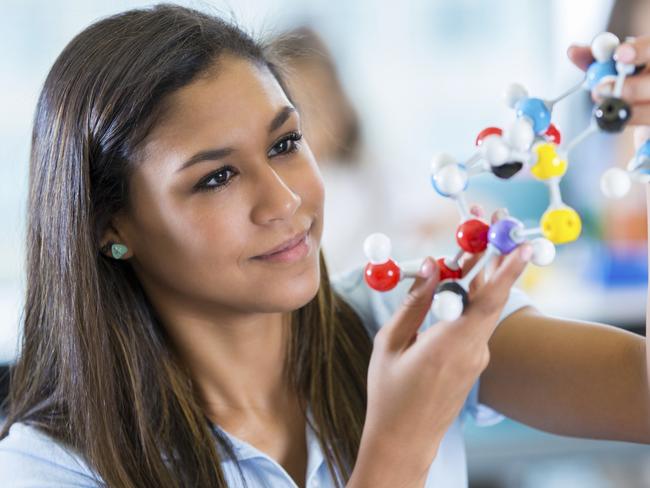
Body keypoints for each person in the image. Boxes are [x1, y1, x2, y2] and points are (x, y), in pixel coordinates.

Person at [0, 4, 647, 488]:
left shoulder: (411, 317)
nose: (285, 201)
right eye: (216, 178)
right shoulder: (48, 468)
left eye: (285, 143)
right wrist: (400, 441)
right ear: (110, 225)